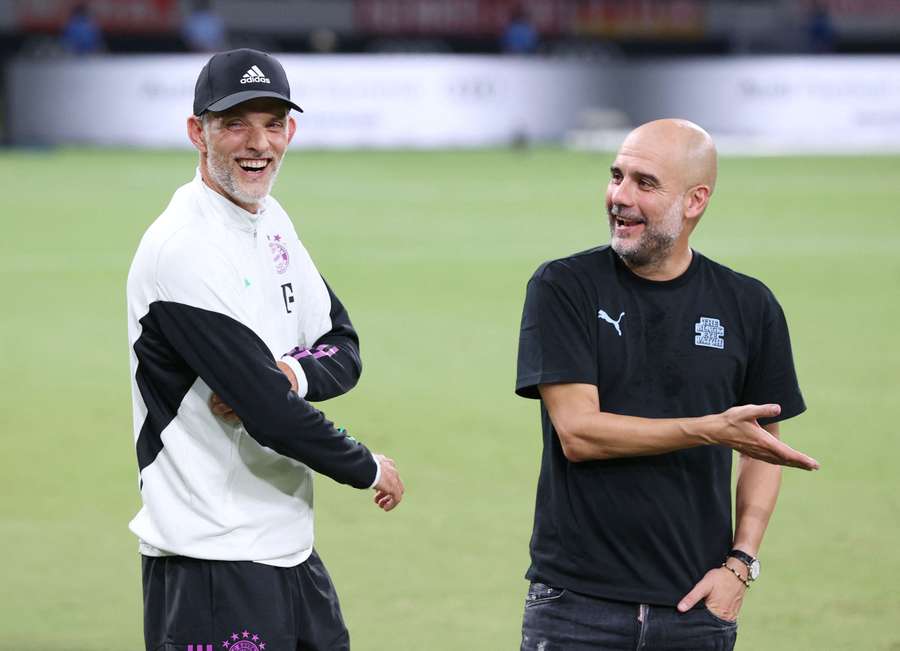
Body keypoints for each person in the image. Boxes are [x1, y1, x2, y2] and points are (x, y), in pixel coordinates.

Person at [126, 48, 404, 651]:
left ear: (292, 131)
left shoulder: (270, 219)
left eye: (273, 123)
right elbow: (267, 412)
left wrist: (289, 372)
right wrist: (366, 466)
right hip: (209, 557)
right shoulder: (182, 248)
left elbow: (344, 346)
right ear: (197, 133)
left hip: (287, 547)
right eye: (236, 124)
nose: (259, 143)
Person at [515, 118, 819, 650]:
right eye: (616, 176)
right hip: (575, 607)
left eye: (644, 183)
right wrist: (708, 429)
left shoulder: (750, 305)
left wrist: (741, 564)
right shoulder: (564, 286)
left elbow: (761, 449)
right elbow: (580, 434)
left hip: (696, 609)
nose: (619, 197)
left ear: (695, 200)